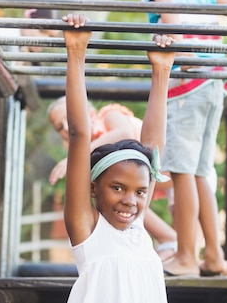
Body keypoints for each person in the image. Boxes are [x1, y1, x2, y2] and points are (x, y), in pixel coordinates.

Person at [127, 0, 227, 277]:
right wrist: (226, 65)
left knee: (180, 172)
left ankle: (184, 254)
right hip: (213, 84)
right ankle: (212, 256)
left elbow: (171, 24)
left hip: (185, 85)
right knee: (199, 173)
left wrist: (187, 56)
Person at [61, 12, 175, 303]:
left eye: (140, 191)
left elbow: (152, 146)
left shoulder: (136, 226)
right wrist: (76, 52)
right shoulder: (88, 229)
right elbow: (79, 135)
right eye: (117, 188)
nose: (131, 200)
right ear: (92, 187)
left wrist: (161, 71)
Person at [47, 96, 178, 260]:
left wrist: (75, 157)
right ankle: (164, 248)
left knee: (127, 195)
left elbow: (123, 133)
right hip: (145, 181)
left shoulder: (109, 114)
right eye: (59, 127)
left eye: (69, 119)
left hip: (171, 168)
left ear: (91, 114)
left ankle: (177, 249)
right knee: (125, 199)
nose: (66, 127)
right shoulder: (92, 154)